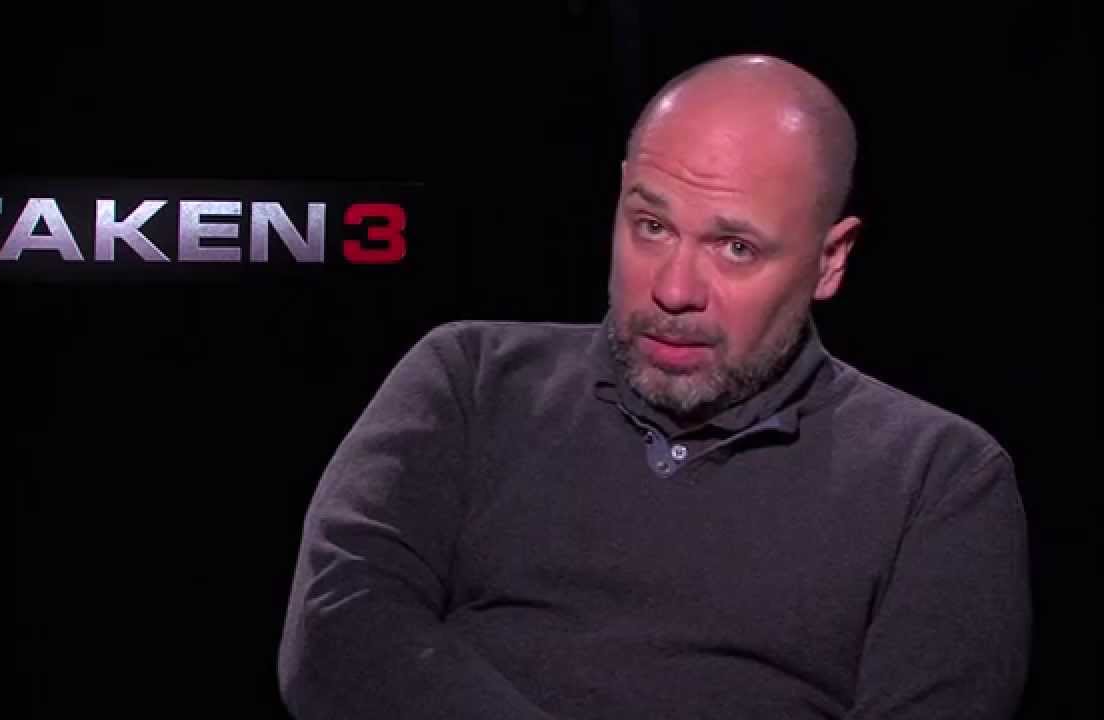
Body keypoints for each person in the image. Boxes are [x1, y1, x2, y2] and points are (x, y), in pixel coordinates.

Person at [277, 54, 1031, 719]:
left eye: (735, 247)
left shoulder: (939, 478)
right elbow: (340, 632)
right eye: (652, 226)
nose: (673, 289)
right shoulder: (471, 378)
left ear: (830, 260)